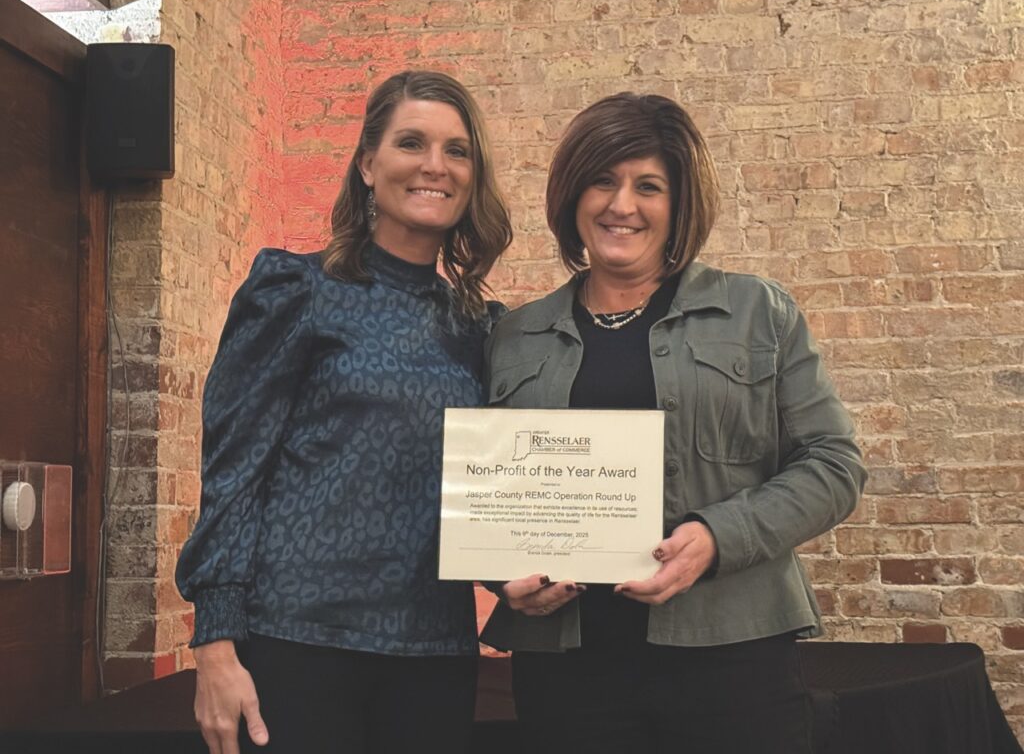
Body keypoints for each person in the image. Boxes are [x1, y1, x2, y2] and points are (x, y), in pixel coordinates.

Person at [479, 92, 867, 753]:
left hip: (733, 661)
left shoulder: (756, 313)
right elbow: (480, 490)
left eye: (648, 186)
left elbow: (834, 465)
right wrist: (493, 574)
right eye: (602, 180)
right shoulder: (512, 334)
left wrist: (717, 537)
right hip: (568, 673)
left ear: (679, 203)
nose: (621, 205)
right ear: (573, 196)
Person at [175, 70, 512, 754]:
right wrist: (215, 641)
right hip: (299, 644)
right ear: (367, 164)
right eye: (410, 143)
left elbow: (494, 492)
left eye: (457, 150)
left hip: (436, 651)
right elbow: (234, 472)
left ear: (473, 176)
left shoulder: (483, 328)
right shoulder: (295, 291)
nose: (433, 166)